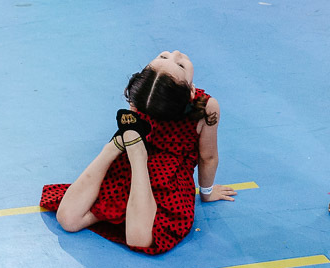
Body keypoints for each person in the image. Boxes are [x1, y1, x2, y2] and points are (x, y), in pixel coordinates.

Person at [40, 51, 236, 254]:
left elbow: (207, 157)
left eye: (177, 64)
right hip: (157, 175)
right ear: (191, 92)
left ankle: (124, 150)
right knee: (76, 221)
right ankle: (125, 151)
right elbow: (208, 157)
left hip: (147, 169)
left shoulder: (148, 95)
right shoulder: (200, 104)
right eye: (166, 58)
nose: (174, 54)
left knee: (84, 224)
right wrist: (207, 192)